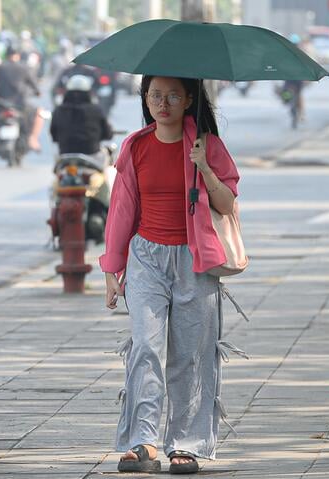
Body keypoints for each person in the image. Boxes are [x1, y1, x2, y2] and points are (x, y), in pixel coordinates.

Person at [100, 75, 239, 474]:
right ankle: (142, 441)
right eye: (155, 95)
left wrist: (204, 168)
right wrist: (113, 268)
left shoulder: (207, 146)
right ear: (145, 98)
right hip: (146, 258)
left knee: (191, 355)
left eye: (173, 95)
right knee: (145, 347)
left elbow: (227, 204)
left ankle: (185, 444)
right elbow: (122, 210)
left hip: (195, 261)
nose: (163, 103)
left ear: (189, 99)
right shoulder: (136, 146)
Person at [0, 46, 43, 151]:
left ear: (6, 56)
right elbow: (34, 85)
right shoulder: (24, 68)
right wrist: (38, 92)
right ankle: (33, 139)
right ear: (18, 56)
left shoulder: (0, 67)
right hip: (21, 104)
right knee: (39, 113)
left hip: (3, 104)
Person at [50, 74, 112, 156]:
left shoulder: (59, 110)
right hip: (91, 152)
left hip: (65, 153)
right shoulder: (95, 110)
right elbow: (107, 134)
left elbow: (54, 135)